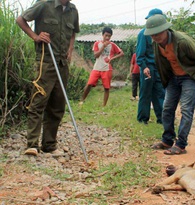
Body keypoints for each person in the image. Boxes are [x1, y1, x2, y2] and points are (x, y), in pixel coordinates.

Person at [16, 0, 79, 156]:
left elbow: (73, 33)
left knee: (57, 105)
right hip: (46, 61)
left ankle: (49, 145)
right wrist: (35, 37)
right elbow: (20, 20)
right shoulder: (44, 4)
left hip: (62, 63)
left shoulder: (73, 10)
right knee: (38, 102)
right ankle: (32, 144)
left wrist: (70, 50)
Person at [145, 15, 195, 155]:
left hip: (189, 77)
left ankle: (181, 144)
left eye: (158, 33)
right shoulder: (156, 44)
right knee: (166, 108)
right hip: (173, 77)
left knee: (186, 109)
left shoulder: (182, 41)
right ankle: (167, 140)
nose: (155, 37)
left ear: (165, 30)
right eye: (153, 35)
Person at [80, 27, 124, 106]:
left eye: (109, 36)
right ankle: (82, 100)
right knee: (89, 84)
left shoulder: (113, 45)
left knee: (106, 87)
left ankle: (104, 105)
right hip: (97, 68)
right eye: (106, 35)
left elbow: (121, 53)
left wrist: (112, 58)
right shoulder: (97, 43)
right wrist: (103, 46)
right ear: (102, 35)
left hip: (107, 69)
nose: (107, 38)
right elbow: (96, 55)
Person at [136, 8, 165, 124]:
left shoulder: (163, 34)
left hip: (158, 68)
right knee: (146, 93)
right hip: (147, 67)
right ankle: (143, 118)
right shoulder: (143, 34)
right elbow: (140, 54)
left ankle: (162, 118)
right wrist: (144, 67)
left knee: (160, 93)